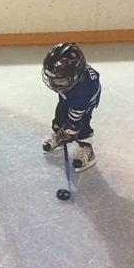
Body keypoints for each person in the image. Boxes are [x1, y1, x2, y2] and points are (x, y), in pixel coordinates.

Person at [41, 43, 101, 173]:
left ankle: (87, 149)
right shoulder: (69, 79)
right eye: (52, 79)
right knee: (60, 116)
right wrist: (61, 133)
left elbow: (74, 123)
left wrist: (68, 130)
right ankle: (58, 136)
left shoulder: (84, 92)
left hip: (83, 104)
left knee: (81, 125)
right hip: (69, 95)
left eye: (60, 81)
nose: (55, 84)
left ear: (76, 76)